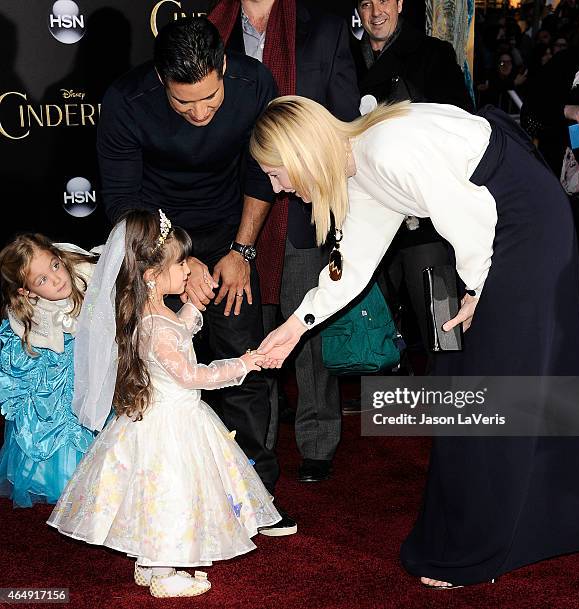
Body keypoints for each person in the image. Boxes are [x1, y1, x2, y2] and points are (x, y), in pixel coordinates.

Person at [250, 96, 579, 587]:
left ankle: (485, 544)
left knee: (491, 382)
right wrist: (295, 325)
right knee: (471, 386)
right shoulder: (360, 164)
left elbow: (472, 213)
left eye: (276, 174)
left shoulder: (385, 148)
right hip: (495, 231)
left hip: (521, 225)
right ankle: (516, 528)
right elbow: (354, 266)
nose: (277, 189)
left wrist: (475, 287)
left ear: (301, 152)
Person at [97, 16, 295, 534]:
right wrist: (178, 265)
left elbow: (262, 169)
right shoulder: (126, 101)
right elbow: (124, 204)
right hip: (158, 249)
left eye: (210, 98)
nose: (201, 111)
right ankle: (157, 505)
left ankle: (253, 499)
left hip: (231, 237)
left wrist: (241, 252)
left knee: (242, 360)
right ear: (162, 82)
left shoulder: (255, 84)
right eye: (185, 103)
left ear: (225, 68)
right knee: (160, 379)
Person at [48, 210, 280, 599]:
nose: (188, 269)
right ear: (152, 275)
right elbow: (190, 375)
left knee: (156, 491)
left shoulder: (154, 313)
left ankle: (149, 560)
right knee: (171, 491)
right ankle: (164, 571)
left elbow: (181, 329)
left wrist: (194, 306)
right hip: (173, 423)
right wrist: (243, 364)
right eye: (180, 264)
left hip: (165, 414)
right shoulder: (156, 325)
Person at [208, 0, 360, 483]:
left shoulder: (325, 27)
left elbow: (344, 120)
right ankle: (257, 444)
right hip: (237, 215)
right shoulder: (213, 28)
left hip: (304, 208)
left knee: (306, 328)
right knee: (250, 334)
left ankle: (318, 442)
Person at [354, 0, 472, 374]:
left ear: (400, 3)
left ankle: (455, 407)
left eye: (384, 0)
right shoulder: (344, 58)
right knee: (376, 329)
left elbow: (461, 123)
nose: (376, 12)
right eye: (367, 3)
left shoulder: (433, 54)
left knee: (443, 325)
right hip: (368, 214)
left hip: (424, 217)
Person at [0, 234, 96, 507]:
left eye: (55, 266)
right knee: (52, 415)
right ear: (27, 292)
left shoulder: (85, 274)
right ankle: (62, 478)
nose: (56, 279)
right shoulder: (27, 315)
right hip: (51, 364)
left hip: (88, 359)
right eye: (41, 280)